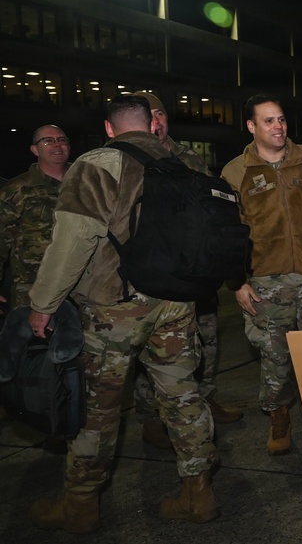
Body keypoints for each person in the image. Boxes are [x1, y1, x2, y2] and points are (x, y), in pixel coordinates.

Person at [26, 94, 219, 534]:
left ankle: (80, 504)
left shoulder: (97, 164)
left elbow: (73, 243)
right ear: (152, 124)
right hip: (174, 301)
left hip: (115, 310)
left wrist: (43, 305)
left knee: (97, 408)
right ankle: (198, 493)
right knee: (183, 396)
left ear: (110, 129)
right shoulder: (181, 161)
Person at [220, 93, 302, 456]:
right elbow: (228, 231)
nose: (278, 126)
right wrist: (238, 282)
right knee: (274, 360)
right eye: (269, 121)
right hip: (265, 284)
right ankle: (279, 417)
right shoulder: (235, 172)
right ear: (251, 126)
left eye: (282, 120)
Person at [127, 92, 243, 452]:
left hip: (195, 270)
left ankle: (204, 400)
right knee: (155, 352)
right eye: (149, 116)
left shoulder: (189, 158)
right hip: (152, 274)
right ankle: (151, 416)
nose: (156, 122)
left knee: (205, 341)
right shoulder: (128, 158)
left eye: (160, 114)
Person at [0, 125, 72, 311]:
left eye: (62, 140)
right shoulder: (17, 189)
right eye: (48, 141)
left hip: (81, 286)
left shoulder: (84, 182)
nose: (57, 145)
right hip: (32, 288)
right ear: (35, 149)